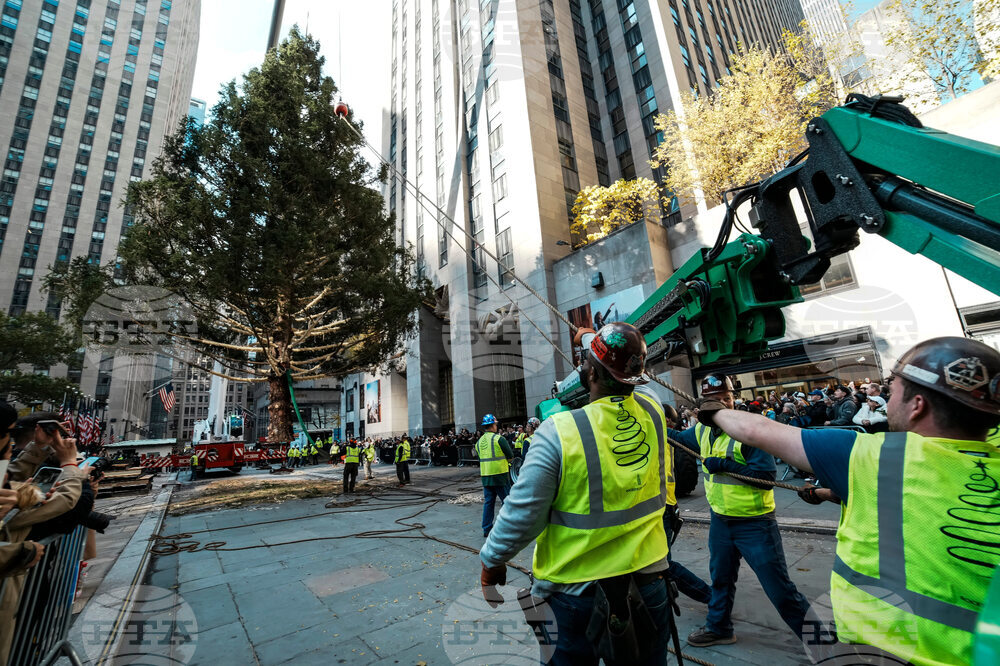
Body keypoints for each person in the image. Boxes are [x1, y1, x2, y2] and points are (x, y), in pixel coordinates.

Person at [695, 336, 1000, 665]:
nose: (886, 398)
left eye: (893, 389)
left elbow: (756, 430)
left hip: (879, 653)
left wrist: (715, 410)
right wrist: (829, 493)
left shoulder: (871, 455)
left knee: (780, 590)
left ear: (917, 405)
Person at [480, 323, 676, 665]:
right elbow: (623, 366)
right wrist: (589, 336)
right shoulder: (652, 407)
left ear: (591, 373)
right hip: (650, 582)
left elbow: (522, 514)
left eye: (586, 362)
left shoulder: (559, 431)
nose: (583, 366)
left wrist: (491, 560)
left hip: (576, 595)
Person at [670, 374, 811, 648]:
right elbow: (677, 438)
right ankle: (719, 627)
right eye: (716, 400)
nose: (724, 404)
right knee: (721, 579)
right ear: (703, 405)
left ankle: (823, 643)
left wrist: (725, 465)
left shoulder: (747, 430)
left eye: (727, 398)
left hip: (755, 524)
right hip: (721, 521)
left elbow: (766, 477)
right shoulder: (702, 431)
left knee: (780, 590)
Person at [475, 414, 513, 538]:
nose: (497, 426)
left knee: (489, 503)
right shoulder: (499, 439)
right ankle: (506, 527)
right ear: (492, 425)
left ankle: (486, 529)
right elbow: (510, 456)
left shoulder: (478, 442)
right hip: (500, 476)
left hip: (486, 476)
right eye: (496, 424)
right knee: (507, 502)